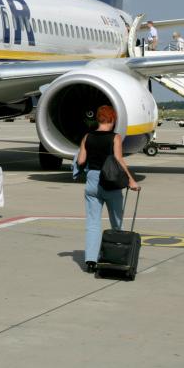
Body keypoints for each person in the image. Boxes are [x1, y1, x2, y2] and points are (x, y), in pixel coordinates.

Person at [76, 105, 140, 274]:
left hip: (92, 182)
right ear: (112, 119)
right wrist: (131, 181)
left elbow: (81, 161)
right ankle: (116, 254)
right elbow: (119, 160)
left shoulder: (87, 137)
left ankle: (90, 260)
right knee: (116, 222)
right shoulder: (115, 137)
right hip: (110, 181)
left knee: (92, 222)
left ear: (98, 119)